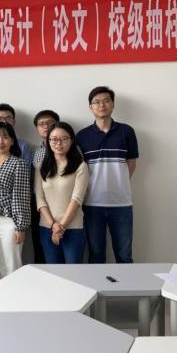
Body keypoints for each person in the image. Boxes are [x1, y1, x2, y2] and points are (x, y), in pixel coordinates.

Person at [76, 87, 139, 264]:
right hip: (91, 204)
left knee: (124, 255)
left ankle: (125, 283)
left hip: (122, 204)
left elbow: (131, 164)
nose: (101, 105)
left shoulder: (127, 131)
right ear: (90, 107)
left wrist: (119, 183)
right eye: (96, 102)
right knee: (96, 255)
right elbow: (79, 171)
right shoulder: (82, 136)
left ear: (113, 104)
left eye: (106, 100)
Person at [0, 123, 31, 279]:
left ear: (12, 141)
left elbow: (22, 197)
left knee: (13, 267)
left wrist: (20, 227)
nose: (0, 141)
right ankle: (5, 295)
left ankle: (18, 294)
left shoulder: (18, 163)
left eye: (5, 137)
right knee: (1, 268)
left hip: (10, 222)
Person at [35, 122, 89, 264]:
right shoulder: (41, 167)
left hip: (73, 228)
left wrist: (60, 227)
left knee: (73, 273)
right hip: (47, 228)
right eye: (54, 139)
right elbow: (39, 199)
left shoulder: (80, 166)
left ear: (71, 140)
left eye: (64, 139)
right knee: (53, 273)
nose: (58, 143)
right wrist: (53, 225)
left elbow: (77, 199)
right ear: (48, 141)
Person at [30, 110, 60, 264]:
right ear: (37, 128)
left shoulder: (71, 149)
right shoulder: (36, 152)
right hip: (39, 204)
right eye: (42, 124)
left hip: (63, 204)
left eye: (50, 123)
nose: (46, 127)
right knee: (40, 246)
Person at [0, 104, 33, 171]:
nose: (4, 121)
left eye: (8, 118)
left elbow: (27, 173)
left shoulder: (23, 146)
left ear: (14, 122)